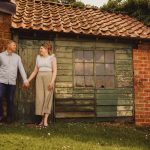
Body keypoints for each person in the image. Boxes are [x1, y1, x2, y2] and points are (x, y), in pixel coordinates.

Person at [27, 42, 57, 127]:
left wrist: (52, 82)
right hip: (39, 77)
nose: (40, 49)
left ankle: (45, 120)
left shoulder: (52, 58)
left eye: (42, 48)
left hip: (49, 77)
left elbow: (55, 71)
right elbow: (35, 71)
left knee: (47, 98)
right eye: (40, 48)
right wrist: (28, 80)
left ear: (47, 49)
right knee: (40, 98)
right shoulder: (38, 58)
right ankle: (42, 119)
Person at [0, 40, 29, 123]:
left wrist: (25, 80)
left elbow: (21, 69)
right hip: (1, 81)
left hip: (12, 82)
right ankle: (1, 116)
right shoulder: (1, 56)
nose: (15, 47)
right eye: (14, 45)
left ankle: (9, 118)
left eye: (15, 46)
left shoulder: (17, 57)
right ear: (8, 45)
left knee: (10, 100)